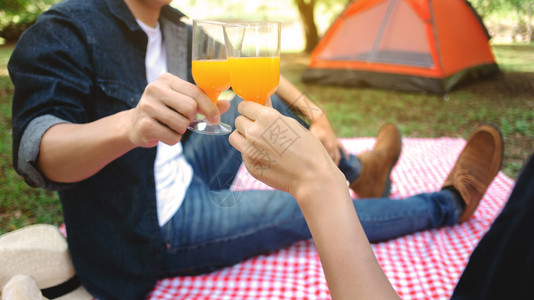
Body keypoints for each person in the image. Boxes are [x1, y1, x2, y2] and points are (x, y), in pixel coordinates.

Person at [8, 0, 502, 298]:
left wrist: (313, 112)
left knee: (254, 93)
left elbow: (253, 65)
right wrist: (129, 124)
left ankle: (357, 170)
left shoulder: (174, 25)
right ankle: (448, 204)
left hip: (182, 158)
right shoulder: (67, 30)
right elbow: (39, 149)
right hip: (152, 222)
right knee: (306, 204)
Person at [231, 101, 533, 299]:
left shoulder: (184, 29)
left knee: (247, 106)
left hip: (188, 163)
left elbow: (263, 75)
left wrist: (315, 114)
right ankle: (449, 202)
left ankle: (363, 172)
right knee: (295, 209)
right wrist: (318, 183)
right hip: (181, 214)